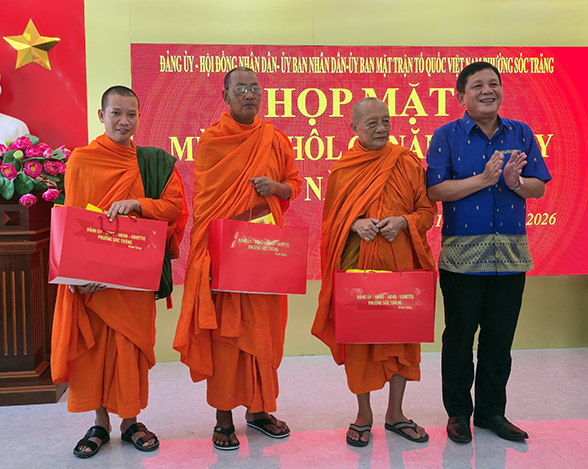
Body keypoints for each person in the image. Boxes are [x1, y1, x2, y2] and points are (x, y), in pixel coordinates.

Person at [50, 85, 187, 457]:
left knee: (129, 351)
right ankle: (100, 423)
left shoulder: (153, 162)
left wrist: (139, 204)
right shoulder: (82, 160)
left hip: (132, 278)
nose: (124, 121)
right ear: (101, 115)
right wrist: (78, 276)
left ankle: (130, 422)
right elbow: (75, 220)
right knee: (93, 352)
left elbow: (174, 207)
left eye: (131, 114)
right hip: (93, 281)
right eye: (116, 113)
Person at [173, 67, 302, 451]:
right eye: (241, 88)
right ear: (226, 96)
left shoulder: (274, 139)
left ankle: (259, 411)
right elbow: (206, 203)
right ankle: (224, 418)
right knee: (227, 338)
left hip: (264, 256)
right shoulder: (212, 140)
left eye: (255, 88)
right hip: (226, 256)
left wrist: (275, 186)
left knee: (263, 331)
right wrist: (209, 259)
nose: (249, 94)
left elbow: (294, 185)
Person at [426, 61, 551, 443]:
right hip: (461, 261)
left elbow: (538, 187)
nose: (487, 90)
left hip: (510, 258)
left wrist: (515, 183)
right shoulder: (446, 135)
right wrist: (482, 180)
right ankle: (458, 414)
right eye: (477, 85)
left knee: (499, 340)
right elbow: (435, 190)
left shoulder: (521, 132)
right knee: (459, 339)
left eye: (493, 84)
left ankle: (492, 413)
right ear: (461, 96)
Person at [313, 97, 436, 447]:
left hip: (401, 266)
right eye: (372, 124)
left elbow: (427, 212)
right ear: (354, 128)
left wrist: (405, 221)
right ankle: (363, 414)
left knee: (402, 338)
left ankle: (395, 413)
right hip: (359, 270)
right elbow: (330, 224)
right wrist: (354, 224)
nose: (381, 129)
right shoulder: (343, 170)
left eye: (386, 121)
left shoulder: (407, 162)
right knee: (360, 341)